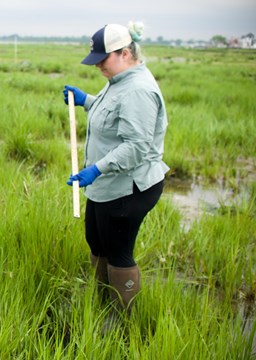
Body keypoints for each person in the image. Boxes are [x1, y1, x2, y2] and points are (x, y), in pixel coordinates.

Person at [63, 22, 169, 312]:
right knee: (96, 241)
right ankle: (101, 303)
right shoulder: (120, 80)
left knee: (117, 250)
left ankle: (123, 319)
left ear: (124, 53)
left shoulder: (138, 90)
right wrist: (87, 101)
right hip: (107, 183)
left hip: (128, 186)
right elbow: (114, 114)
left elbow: (136, 147)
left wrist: (96, 169)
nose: (98, 67)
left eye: (102, 60)